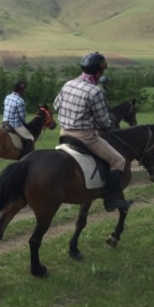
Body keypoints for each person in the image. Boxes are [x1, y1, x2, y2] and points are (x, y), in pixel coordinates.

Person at [53, 52, 132, 212]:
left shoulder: (68, 84)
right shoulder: (95, 91)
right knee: (119, 161)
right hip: (85, 137)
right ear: (98, 72)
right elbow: (103, 121)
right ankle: (110, 199)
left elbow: (56, 105)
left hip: (63, 133)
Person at [2, 79, 34, 158]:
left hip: (4, 122)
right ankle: (24, 157)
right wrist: (25, 124)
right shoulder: (20, 101)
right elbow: (22, 117)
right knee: (30, 138)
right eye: (24, 89)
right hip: (14, 125)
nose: (25, 90)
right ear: (21, 90)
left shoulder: (8, 96)